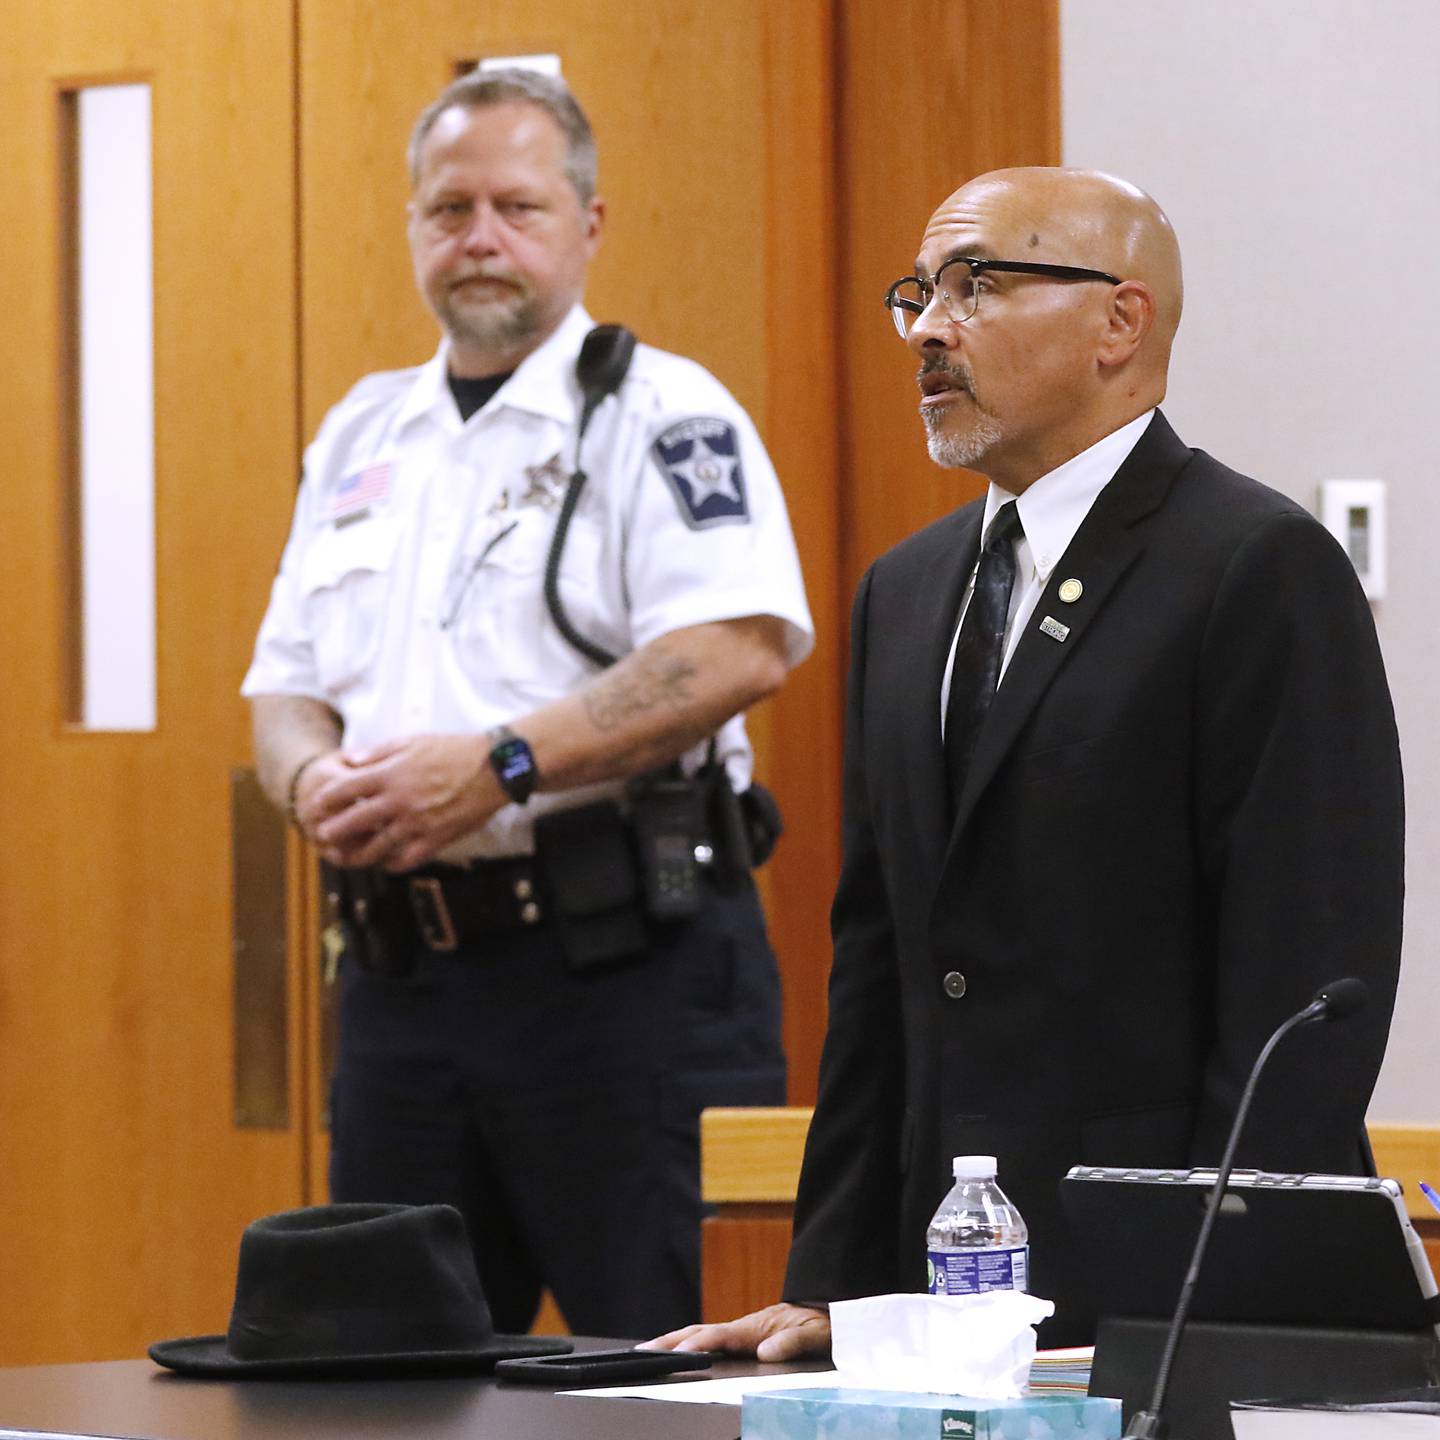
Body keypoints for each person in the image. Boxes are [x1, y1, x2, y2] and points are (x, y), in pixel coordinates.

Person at [648, 167, 1402, 1359]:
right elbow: (880, 962)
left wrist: (1208, 1303)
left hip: (1161, 1287)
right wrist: (831, 1285)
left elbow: (1306, 980)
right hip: (935, 1284)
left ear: (1122, 320)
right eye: (922, 293)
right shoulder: (904, 591)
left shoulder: (1255, 566)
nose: (930, 329)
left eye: (980, 286)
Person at [241, 66, 813, 1339]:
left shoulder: (662, 415)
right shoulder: (358, 437)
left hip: (624, 985)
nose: (480, 238)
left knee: (672, 1373)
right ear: (411, 227)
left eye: (517, 205)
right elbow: (281, 687)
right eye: (449, 209)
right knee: (381, 1380)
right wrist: (306, 780)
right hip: (402, 988)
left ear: (589, 225)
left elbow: (735, 649)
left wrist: (496, 763)